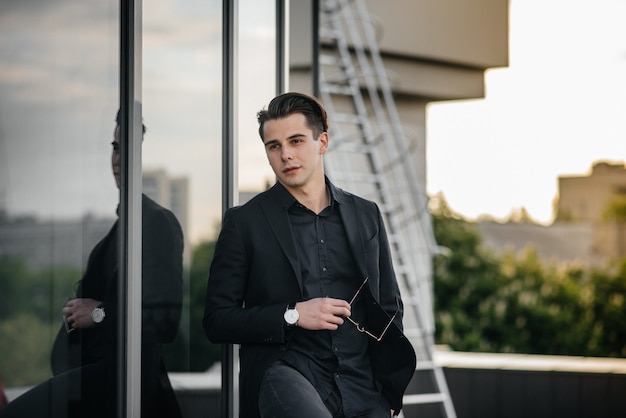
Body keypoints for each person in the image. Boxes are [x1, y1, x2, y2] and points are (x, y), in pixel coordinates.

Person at [203, 92, 416, 418]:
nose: (286, 154)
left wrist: (388, 395)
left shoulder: (366, 214)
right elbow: (217, 321)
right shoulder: (244, 222)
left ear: (323, 142)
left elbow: (388, 306)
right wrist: (293, 314)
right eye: (274, 146)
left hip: (362, 384)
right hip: (287, 372)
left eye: (296, 141)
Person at [0, 112, 184, 418]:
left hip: (122, 387)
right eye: (114, 147)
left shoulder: (157, 223)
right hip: (95, 384)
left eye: (127, 148)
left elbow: (166, 321)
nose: (117, 158)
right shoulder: (116, 233)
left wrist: (97, 312)